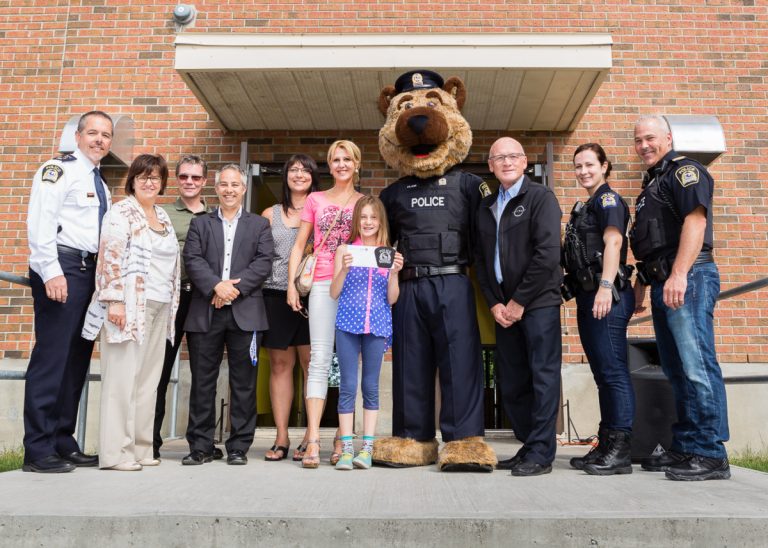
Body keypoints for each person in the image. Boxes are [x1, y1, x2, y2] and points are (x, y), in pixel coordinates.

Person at [630, 115, 730, 481]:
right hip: (665, 282)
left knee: (696, 365)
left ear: (669, 138)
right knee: (676, 369)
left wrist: (679, 274)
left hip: (689, 278)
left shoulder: (684, 171)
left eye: (650, 138)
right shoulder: (652, 183)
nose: (644, 145)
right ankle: (688, 445)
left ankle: (710, 452)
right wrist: (644, 283)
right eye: (638, 140)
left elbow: (696, 221)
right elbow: (655, 242)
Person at [23, 110, 113, 473]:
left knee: (76, 361)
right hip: (63, 269)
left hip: (89, 274)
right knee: (52, 359)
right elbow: (40, 222)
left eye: (106, 135)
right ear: (77, 136)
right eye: (93, 133)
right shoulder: (57, 170)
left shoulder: (101, 182)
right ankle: (37, 449)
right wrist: (51, 272)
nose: (99, 140)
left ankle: (62, 441)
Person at [81, 154, 180, 471]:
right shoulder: (121, 212)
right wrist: (115, 301)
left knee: (148, 382)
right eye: (143, 176)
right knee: (121, 382)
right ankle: (116, 454)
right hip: (130, 306)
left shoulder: (162, 216)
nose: (150, 182)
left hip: (161, 306)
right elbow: (109, 258)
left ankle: (140, 447)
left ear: (162, 182)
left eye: (156, 177)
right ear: (133, 180)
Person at [475, 137, 563, 477]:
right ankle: (529, 444)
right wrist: (495, 303)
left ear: (525, 162)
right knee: (512, 380)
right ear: (491, 165)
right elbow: (481, 261)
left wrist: (519, 301)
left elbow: (547, 255)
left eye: (513, 156)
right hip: (504, 310)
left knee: (542, 376)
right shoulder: (486, 207)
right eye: (499, 157)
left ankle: (541, 452)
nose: (507, 162)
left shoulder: (541, 198)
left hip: (537, 303)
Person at [182, 164, 274, 466]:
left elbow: (264, 262)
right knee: (202, 382)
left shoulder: (259, 225)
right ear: (216, 188)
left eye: (235, 185)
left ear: (244, 189)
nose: (229, 190)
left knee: (244, 383)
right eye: (224, 184)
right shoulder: (200, 224)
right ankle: (201, 446)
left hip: (246, 313)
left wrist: (234, 289)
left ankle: (238, 447)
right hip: (205, 311)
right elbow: (192, 259)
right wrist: (216, 286)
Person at [287, 140, 363, 468]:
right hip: (319, 282)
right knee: (318, 358)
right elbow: (299, 245)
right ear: (329, 166)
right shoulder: (315, 200)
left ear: (356, 164)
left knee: (349, 362)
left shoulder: (364, 203)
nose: (341, 164)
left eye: (347, 159)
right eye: (336, 159)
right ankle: (314, 438)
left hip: (354, 286)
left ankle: (343, 439)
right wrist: (292, 286)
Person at [562, 143, 635, 475]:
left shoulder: (608, 200)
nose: (583, 171)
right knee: (603, 374)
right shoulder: (586, 206)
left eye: (590, 165)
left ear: (604, 166)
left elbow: (614, 242)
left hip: (607, 295)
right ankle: (606, 444)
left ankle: (619, 451)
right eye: (578, 166)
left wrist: (606, 286)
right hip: (589, 295)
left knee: (613, 373)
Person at [329, 196, 403, 470]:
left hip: (378, 324)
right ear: (356, 221)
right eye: (363, 217)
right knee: (348, 386)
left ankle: (367, 448)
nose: (368, 222)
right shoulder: (345, 250)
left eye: (373, 217)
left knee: (370, 386)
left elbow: (392, 298)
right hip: (347, 324)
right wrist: (344, 269)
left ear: (381, 221)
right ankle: (347, 448)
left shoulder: (388, 253)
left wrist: (394, 273)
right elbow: (333, 292)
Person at [152, 155, 212, 461]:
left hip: (203, 300)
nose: (190, 182)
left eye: (196, 177)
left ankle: (201, 444)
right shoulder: (161, 214)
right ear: (176, 179)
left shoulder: (215, 217)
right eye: (184, 176)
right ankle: (149, 441)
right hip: (171, 299)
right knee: (159, 371)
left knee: (203, 373)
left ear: (204, 181)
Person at [261, 154, 319, 462]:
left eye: (305, 170)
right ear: (285, 176)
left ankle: (311, 435)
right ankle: (281, 436)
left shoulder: (322, 208)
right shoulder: (270, 213)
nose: (299, 174)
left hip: (314, 294)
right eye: (293, 169)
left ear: (313, 176)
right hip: (276, 294)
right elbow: (260, 256)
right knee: (280, 365)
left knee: (312, 365)